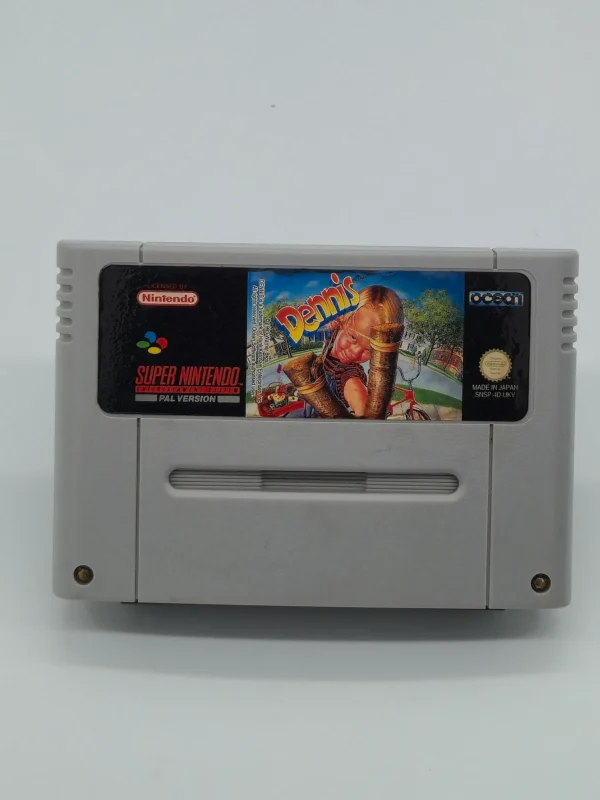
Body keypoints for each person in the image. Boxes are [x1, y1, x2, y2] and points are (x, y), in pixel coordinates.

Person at [321, 285, 404, 417]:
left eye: (368, 350)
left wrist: (363, 410)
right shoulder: (336, 332)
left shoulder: (348, 374)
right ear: (343, 321)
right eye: (353, 337)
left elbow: (357, 394)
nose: (355, 353)